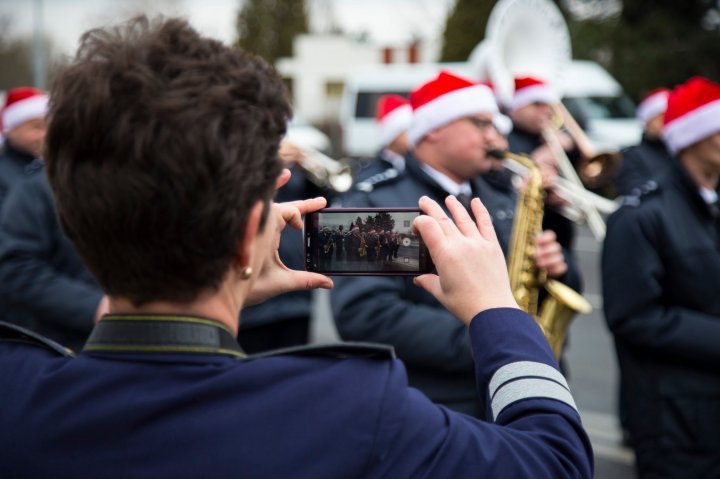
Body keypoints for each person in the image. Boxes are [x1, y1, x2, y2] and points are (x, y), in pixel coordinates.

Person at [0, 16, 594, 478]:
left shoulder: (16, 391)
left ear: (76, 220)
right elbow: (556, 462)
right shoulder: (351, 411)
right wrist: (499, 312)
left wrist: (225, 271)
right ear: (245, 238)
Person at [333, 71, 581, 417]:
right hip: (431, 406)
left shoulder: (501, 195)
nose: (496, 135)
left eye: (497, 125)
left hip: (510, 395)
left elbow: (550, 285)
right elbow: (364, 314)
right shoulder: (372, 204)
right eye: (482, 123)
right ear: (434, 128)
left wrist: (559, 267)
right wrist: (494, 339)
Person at [602, 76, 720, 479]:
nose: (491, 133)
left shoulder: (708, 205)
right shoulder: (641, 215)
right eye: (478, 123)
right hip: (676, 420)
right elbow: (634, 318)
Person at [0, 168, 107, 348]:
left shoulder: (144, 182)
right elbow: (15, 267)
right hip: (68, 343)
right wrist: (93, 306)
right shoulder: (36, 191)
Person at [238, 142, 325, 354]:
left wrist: (305, 166)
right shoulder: (237, 157)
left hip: (296, 296)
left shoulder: (291, 164)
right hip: (252, 303)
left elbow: (321, 203)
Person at [506, 76, 578, 250]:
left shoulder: (553, 138)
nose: (546, 111)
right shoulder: (504, 139)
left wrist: (573, 150)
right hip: (522, 240)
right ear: (515, 107)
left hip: (559, 234)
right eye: (537, 104)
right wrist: (539, 159)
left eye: (548, 104)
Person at [614, 88, 673, 197]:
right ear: (647, 121)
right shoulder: (630, 156)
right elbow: (632, 192)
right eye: (661, 116)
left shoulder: (679, 154)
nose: (667, 121)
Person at [0, 87, 48, 209]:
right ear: (11, 129)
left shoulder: (50, 167)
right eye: (37, 127)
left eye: (49, 126)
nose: (45, 134)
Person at [354, 94, 412, 182]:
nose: (413, 135)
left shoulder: (416, 166)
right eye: (407, 130)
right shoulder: (368, 172)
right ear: (393, 135)